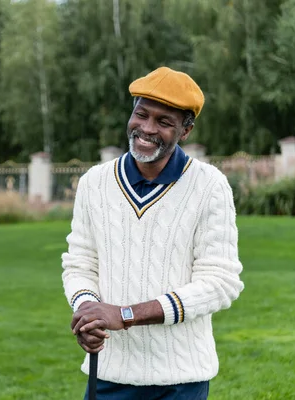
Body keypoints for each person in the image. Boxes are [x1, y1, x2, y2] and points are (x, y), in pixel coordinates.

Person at [61, 66, 244, 399]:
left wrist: (126, 315)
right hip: (108, 372)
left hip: (180, 380)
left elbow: (220, 283)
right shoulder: (94, 183)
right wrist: (88, 312)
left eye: (164, 122)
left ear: (185, 130)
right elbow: (80, 265)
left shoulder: (210, 186)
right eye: (141, 114)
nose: (146, 129)